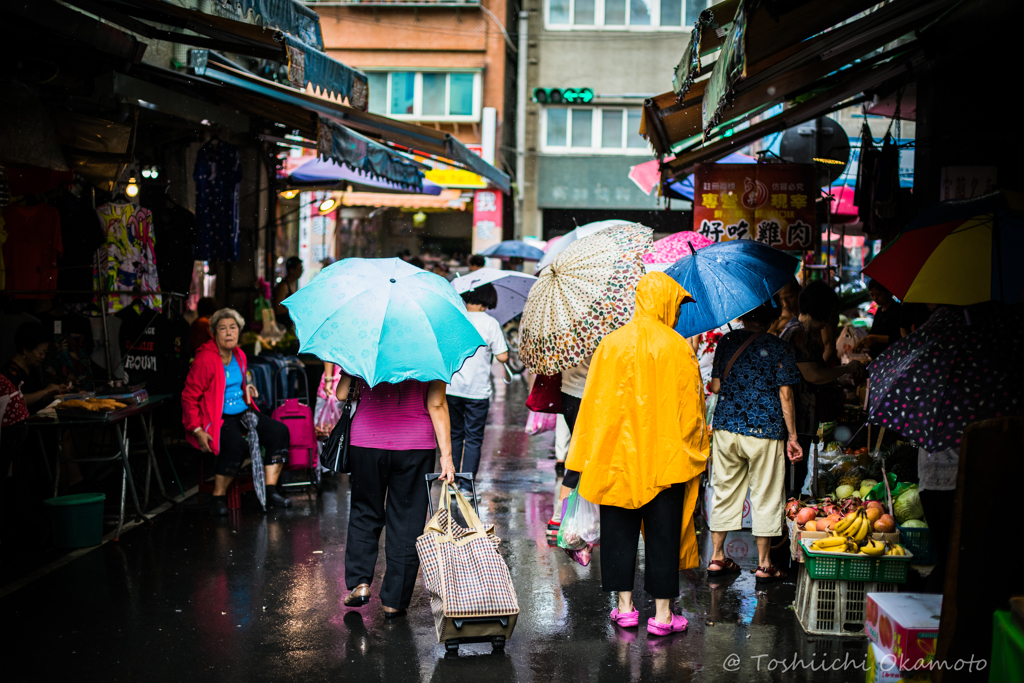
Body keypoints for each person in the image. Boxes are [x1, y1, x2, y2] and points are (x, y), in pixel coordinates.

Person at [566, 272, 709, 636]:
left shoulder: (611, 344)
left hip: (617, 459)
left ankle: (625, 609)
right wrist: (696, 451)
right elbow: (692, 409)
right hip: (667, 459)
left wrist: (580, 460)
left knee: (619, 532)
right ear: (663, 302)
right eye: (675, 305)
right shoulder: (678, 348)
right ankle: (662, 615)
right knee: (664, 534)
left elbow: (593, 406)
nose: (677, 314)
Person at [337, 373, 455, 618]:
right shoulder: (430, 350)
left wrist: (352, 373)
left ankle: (360, 582)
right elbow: (436, 404)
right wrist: (447, 456)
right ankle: (395, 600)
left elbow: (340, 394)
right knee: (407, 520)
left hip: (367, 441)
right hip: (415, 444)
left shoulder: (364, 344)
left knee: (364, 512)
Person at [706, 300, 803, 584]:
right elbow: (786, 394)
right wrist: (793, 436)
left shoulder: (726, 342)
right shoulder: (778, 347)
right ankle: (764, 563)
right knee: (766, 494)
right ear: (772, 318)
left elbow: (715, 387)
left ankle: (717, 557)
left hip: (726, 429)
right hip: (765, 431)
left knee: (724, 491)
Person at [182, 309, 292, 515]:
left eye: (233, 328)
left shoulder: (239, 355)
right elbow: (189, 397)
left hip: (242, 412)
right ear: (214, 333)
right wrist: (196, 429)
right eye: (223, 329)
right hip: (218, 417)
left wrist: (247, 387)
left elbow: (241, 379)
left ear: (239, 331)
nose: (229, 333)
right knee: (236, 445)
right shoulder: (205, 359)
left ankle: (270, 490)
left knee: (279, 432)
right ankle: (218, 496)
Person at [780, 281, 864, 497]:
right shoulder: (800, 334)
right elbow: (814, 375)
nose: (828, 322)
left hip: (798, 419)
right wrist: (846, 369)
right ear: (821, 312)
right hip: (799, 419)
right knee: (793, 481)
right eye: (828, 314)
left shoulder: (792, 329)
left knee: (793, 479)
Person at [446, 283, 508, 497]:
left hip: (451, 388)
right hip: (477, 391)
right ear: (487, 299)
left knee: (453, 435)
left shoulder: (455, 318)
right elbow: (503, 357)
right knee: (473, 439)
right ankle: (466, 487)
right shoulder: (491, 323)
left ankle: (451, 483)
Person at [2, 322, 65, 414]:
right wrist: (45, 391)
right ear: (26, 350)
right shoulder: (10, 371)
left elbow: (38, 401)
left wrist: (52, 392)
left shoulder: (33, 368)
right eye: (40, 353)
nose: (43, 357)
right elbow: (12, 402)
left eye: (45, 353)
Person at [855, 279, 903, 357]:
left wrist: (876, 338)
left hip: (890, 357)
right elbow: (873, 333)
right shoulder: (879, 311)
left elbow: (898, 338)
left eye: (878, 295)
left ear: (888, 292)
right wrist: (862, 343)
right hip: (877, 358)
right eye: (872, 295)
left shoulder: (898, 311)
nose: (875, 298)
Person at [273, 257, 303, 329]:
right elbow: (278, 310)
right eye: (299, 269)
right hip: (282, 326)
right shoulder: (283, 286)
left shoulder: (293, 284)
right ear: (291, 270)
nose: (301, 271)